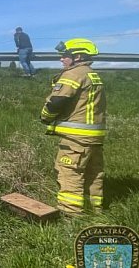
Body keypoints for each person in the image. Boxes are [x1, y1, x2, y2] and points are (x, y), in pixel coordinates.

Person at [40, 38, 106, 215]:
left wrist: (45, 117)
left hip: (76, 138)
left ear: (77, 56)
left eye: (65, 55)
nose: (61, 59)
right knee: (94, 173)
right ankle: (95, 210)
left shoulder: (73, 74)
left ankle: (71, 214)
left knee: (69, 172)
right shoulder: (92, 74)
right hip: (94, 137)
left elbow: (57, 101)